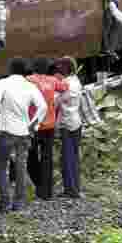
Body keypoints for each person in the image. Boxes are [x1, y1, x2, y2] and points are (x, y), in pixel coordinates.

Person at [0, 57, 46, 213]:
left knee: (1, 167)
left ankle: (5, 202)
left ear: (10, 69)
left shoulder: (3, 84)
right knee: (20, 167)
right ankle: (19, 202)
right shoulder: (30, 86)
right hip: (24, 133)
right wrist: (34, 125)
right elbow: (43, 107)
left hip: (6, 133)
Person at [26, 57, 68, 201]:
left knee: (30, 156)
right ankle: (47, 192)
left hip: (33, 125)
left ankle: (37, 183)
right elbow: (65, 88)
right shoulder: (52, 80)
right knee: (47, 158)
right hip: (49, 125)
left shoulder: (29, 79)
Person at [54, 56, 82, 199]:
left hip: (67, 124)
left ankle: (71, 190)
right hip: (76, 122)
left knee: (67, 158)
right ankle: (76, 187)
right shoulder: (76, 80)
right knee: (74, 157)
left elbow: (56, 102)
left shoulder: (65, 83)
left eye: (59, 67)